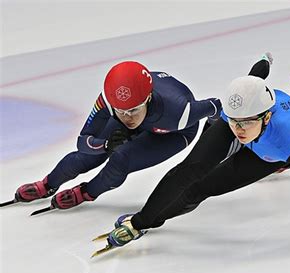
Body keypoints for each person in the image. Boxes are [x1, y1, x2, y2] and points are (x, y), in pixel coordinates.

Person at [95, 54, 290, 258]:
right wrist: (265, 60)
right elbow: (255, 77)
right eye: (235, 122)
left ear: (267, 117)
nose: (239, 130)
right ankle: (145, 220)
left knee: (202, 189)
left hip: (267, 154)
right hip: (250, 121)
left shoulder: (288, 144)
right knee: (191, 171)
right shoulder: (239, 114)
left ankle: (151, 219)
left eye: (245, 124)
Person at [13, 61, 221, 209]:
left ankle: (87, 193)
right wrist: (104, 146)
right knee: (90, 155)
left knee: (121, 159)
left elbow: (216, 106)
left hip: (171, 133)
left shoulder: (181, 112)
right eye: (121, 111)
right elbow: (83, 141)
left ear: (147, 98)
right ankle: (48, 184)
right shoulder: (108, 101)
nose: (127, 117)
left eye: (132, 111)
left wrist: (209, 136)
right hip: (149, 117)